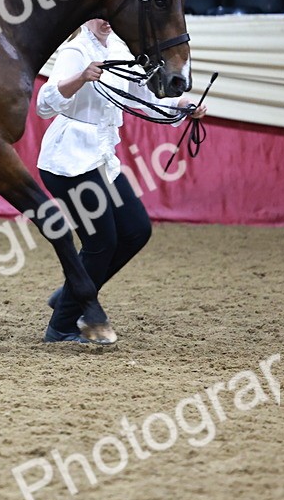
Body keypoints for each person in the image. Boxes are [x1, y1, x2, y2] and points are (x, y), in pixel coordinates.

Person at [36, 19, 207, 344]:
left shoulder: (119, 47)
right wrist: (80, 77)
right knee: (101, 243)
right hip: (69, 159)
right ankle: (61, 326)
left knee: (136, 230)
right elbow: (44, 105)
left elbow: (140, 99)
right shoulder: (75, 50)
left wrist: (180, 106)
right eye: (98, 14)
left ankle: (69, 295)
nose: (105, 21)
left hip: (101, 156)